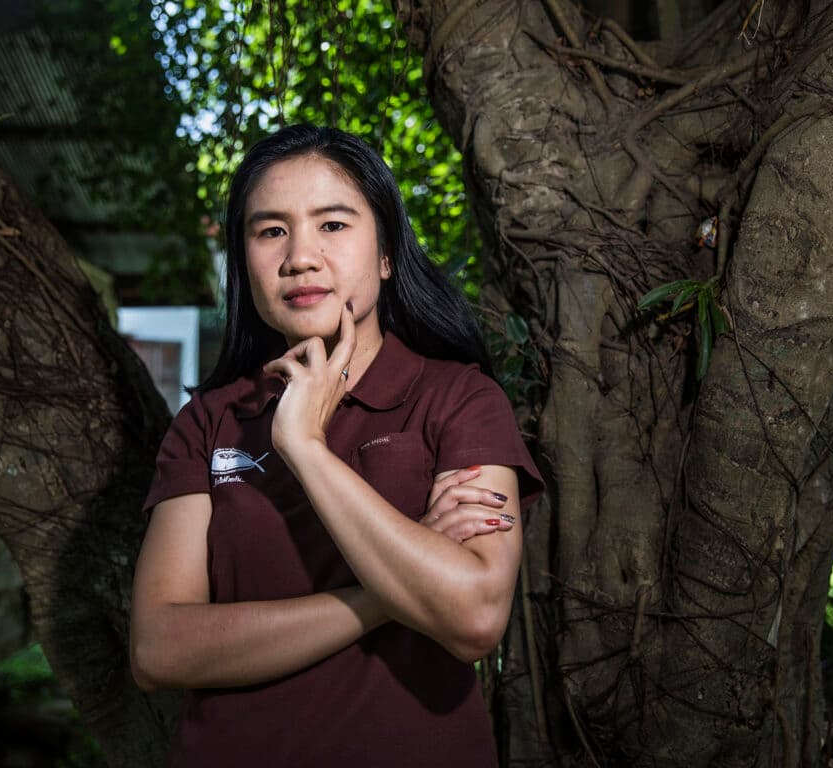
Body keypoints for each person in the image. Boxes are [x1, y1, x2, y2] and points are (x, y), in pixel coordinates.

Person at [129, 124, 544, 767]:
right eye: (270, 231)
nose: (299, 256)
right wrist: (389, 594)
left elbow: (472, 616)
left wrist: (304, 448)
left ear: (385, 255)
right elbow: (158, 648)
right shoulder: (209, 422)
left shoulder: (459, 398)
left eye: (332, 224)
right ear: (245, 262)